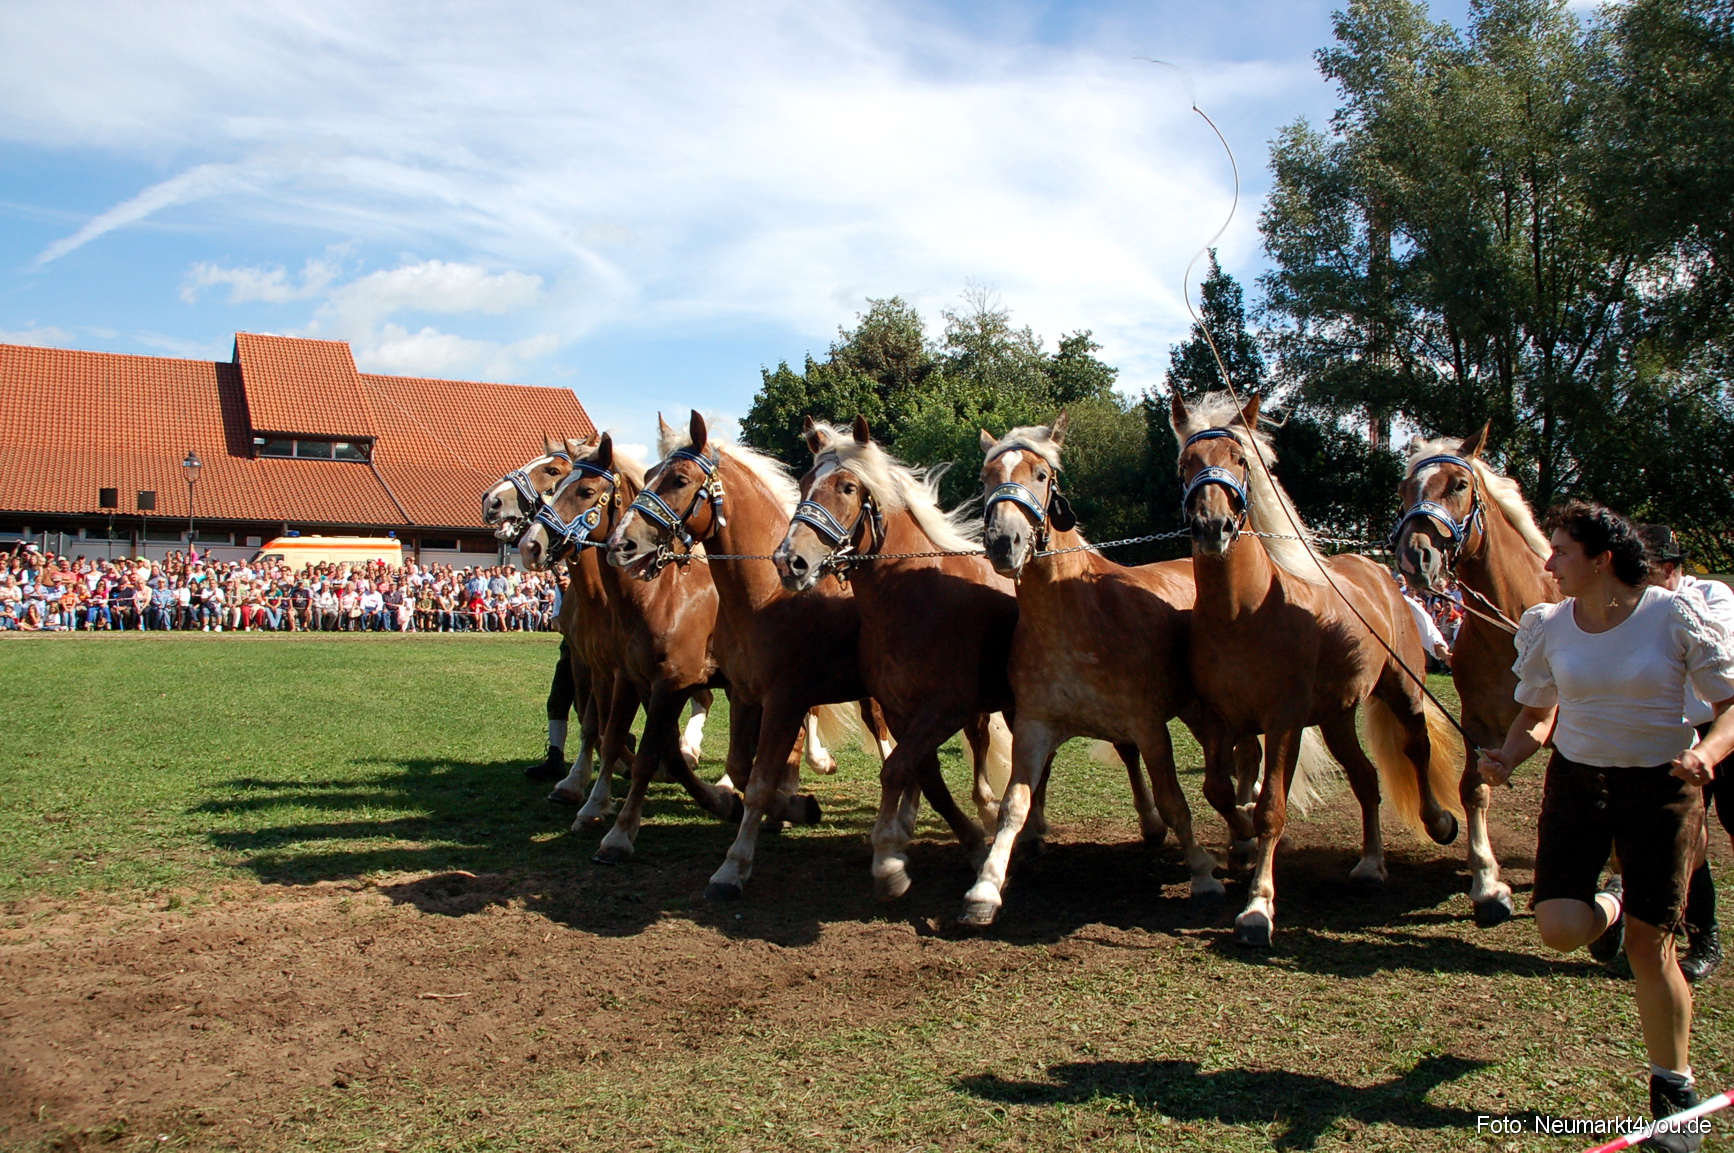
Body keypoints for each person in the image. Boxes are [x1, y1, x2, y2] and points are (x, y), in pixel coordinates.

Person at [1478, 502, 1734, 1150]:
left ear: (1602, 560)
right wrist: (1509, 755)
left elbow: (1730, 707)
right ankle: (1612, 904)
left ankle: (1674, 1091)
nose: (1548, 562)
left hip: (1662, 788)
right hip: (1578, 783)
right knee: (1559, 927)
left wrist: (1708, 752)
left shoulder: (1672, 616)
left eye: (1560, 550)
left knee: (1652, 948)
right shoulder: (1551, 626)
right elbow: (1539, 714)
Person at [1640, 523, 1734, 984]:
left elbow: (1714, 649)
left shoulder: (1712, 595)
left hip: (1724, 729)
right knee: (1686, 840)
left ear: (1673, 569)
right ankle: (1703, 935)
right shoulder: (1638, 608)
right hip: (1676, 734)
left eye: (1648, 571)